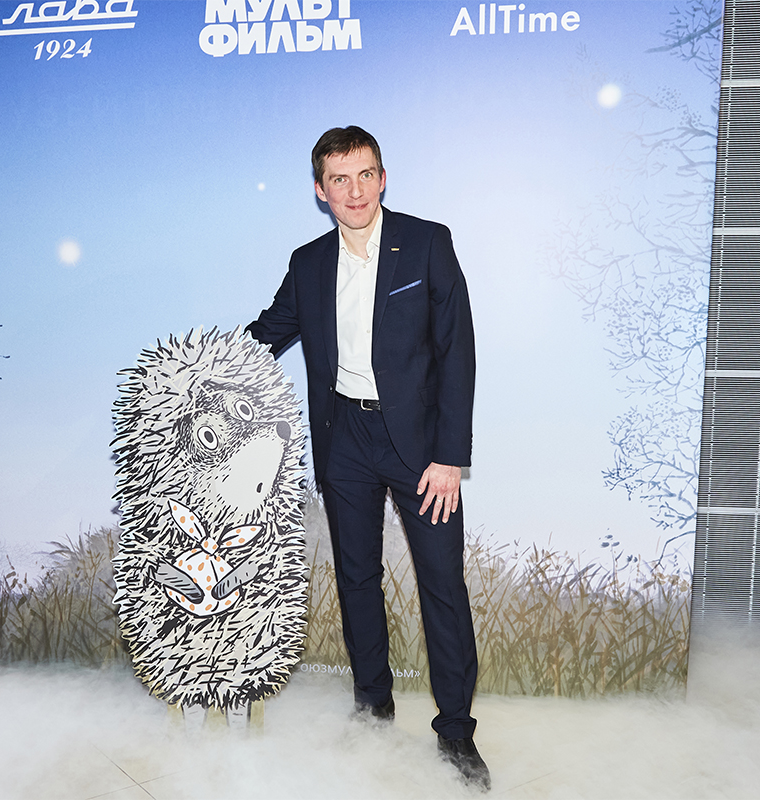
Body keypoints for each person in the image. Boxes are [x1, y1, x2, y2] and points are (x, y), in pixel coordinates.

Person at [248, 126, 489, 791]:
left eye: (365, 175)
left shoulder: (428, 243)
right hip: (344, 440)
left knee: (442, 584)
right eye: (339, 179)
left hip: (422, 448)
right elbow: (266, 334)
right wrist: (196, 370)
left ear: (383, 178)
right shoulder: (308, 263)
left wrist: (450, 456)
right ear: (320, 190)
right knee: (357, 578)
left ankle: (456, 731)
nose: (354, 191)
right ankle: (373, 707)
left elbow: (458, 352)